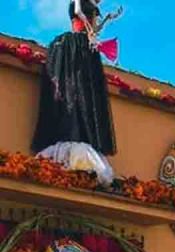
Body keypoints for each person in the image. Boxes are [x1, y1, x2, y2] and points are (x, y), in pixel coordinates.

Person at [32, 1, 121, 183]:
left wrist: (109, 19)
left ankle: (82, 125)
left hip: (87, 45)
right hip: (78, 42)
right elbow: (79, 12)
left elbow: (95, 28)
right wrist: (87, 25)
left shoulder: (94, 7)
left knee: (85, 86)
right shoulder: (78, 3)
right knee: (73, 83)